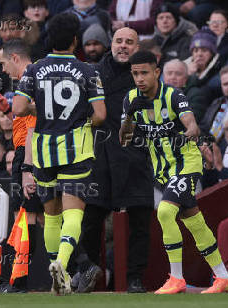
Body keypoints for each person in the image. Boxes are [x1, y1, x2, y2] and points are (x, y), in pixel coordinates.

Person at [120, 50, 228, 294]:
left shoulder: (172, 95)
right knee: (195, 222)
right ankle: (224, 278)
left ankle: (177, 278)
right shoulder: (130, 98)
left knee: (165, 211)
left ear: (157, 72)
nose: (139, 79)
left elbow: (191, 124)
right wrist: (129, 116)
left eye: (144, 73)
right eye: (135, 74)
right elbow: (124, 139)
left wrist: (189, 134)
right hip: (163, 171)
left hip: (186, 164)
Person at [10, 13, 106, 295]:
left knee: (51, 216)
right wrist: (79, 120)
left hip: (43, 151)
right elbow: (100, 115)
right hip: (76, 149)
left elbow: (17, 108)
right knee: (74, 212)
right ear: (76, 40)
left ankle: (57, 269)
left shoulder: (33, 70)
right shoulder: (89, 71)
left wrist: (39, 111)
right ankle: (62, 264)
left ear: (49, 39)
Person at [78, 27, 154, 294]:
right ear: (111, 44)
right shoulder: (92, 74)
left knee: (141, 220)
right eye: (119, 41)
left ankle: (134, 278)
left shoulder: (149, 76)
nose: (123, 46)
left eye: (129, 42)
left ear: (138, 46)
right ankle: (87, 274)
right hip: (99, 157)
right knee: (90, 220)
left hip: (136, 157)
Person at [0, 39, 44, 293]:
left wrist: (27, 167)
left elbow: (33, 126)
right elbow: (28, 120)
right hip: (31, 153)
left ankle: (17, 282)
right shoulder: (33, 80)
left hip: (29, 155)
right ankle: (80, 266)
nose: (3, 69)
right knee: (42, 217)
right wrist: (9, 110)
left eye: (3, 63)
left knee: (28, 218)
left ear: (16, 58)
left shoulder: (31, 80)